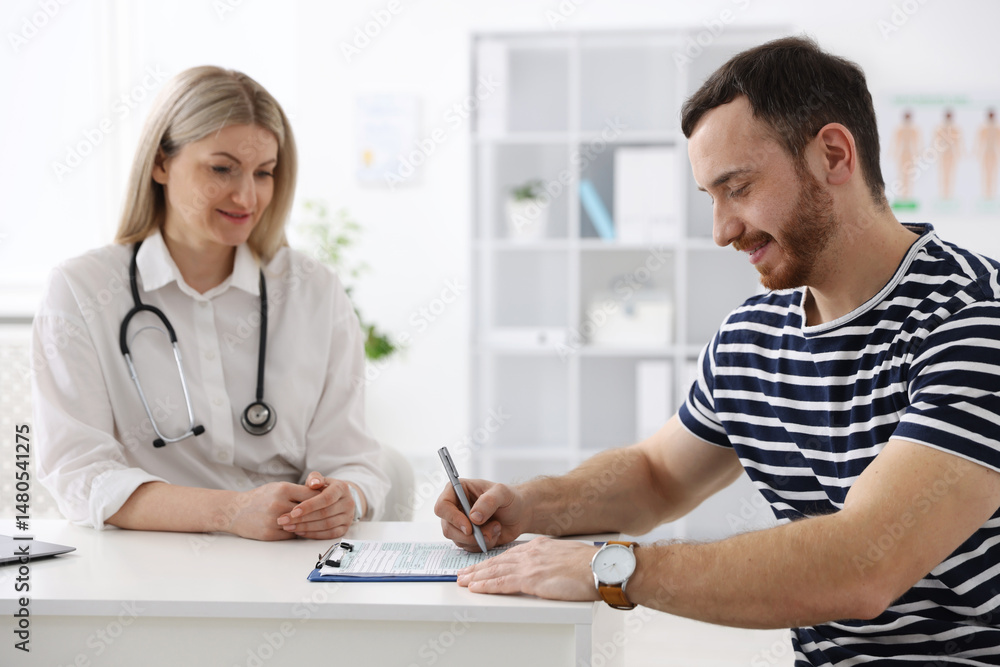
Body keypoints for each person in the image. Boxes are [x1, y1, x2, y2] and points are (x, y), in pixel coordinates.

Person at [436, 37, 1000, 665]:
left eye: (738, 188)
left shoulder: (975, 321)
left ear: (834, 155)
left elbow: (863, 564)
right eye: (711, 197)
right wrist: (529, 504)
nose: (721, 230)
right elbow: (655, 478)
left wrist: (613, 569)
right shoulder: (753, 335)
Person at [32, 66, 389, 541]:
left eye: (264, 173)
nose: (247, 196)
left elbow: (354, 461)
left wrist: (344, 496)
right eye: (221, 168)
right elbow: (80, 475)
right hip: (144, 567)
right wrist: (232, 512)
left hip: (290, 565)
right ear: (161, 163)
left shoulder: (314, 291)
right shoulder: (80, 290)